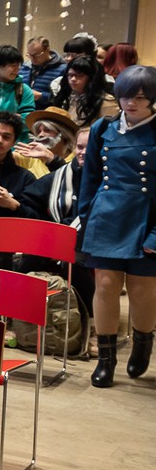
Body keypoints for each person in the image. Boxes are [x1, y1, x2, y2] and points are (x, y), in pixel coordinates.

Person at [79, 65, 156, 387]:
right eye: (125, 96)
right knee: (106, 285)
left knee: (142, 289)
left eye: (139, 97)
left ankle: (143, 342)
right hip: (106, 216)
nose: (130, 103)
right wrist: (87, 215)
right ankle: (106, 359)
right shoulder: (103, 127)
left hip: (148, 218)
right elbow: (91, 176)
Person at [0, 44, 36, 115]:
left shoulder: (24, 90)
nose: (17, 69)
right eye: (13, 66)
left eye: (18, 65)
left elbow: (28, 116)